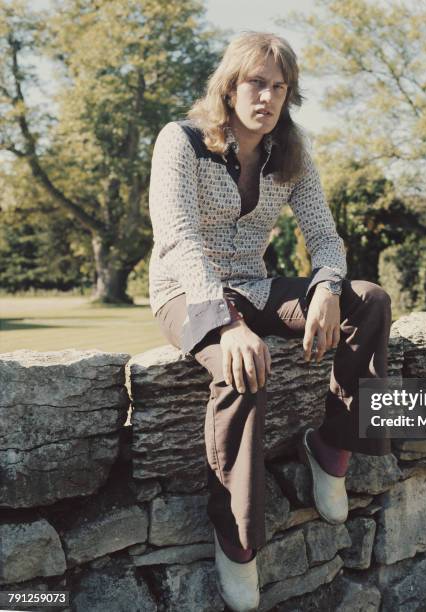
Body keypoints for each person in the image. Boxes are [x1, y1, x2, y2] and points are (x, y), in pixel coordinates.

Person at [148, 31, 392, 612]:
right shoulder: (180, 141)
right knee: (246, 359)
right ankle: (237, 541)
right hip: (185, 290)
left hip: (256, 286)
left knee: (372, 300)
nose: (268, 97)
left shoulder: (291, 151)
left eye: (279, 87)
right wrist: (228, 325)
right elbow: (178, 238)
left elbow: (326, 239)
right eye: (257, 83)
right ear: (230, 85)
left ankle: (334, 448)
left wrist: (329, 287)